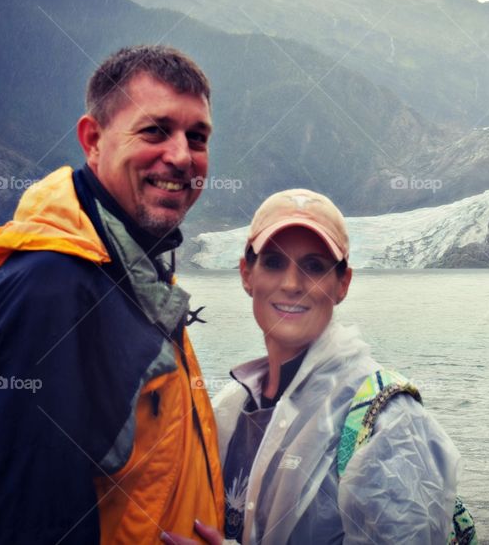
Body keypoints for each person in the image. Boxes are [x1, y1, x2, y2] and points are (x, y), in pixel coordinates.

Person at [0, 45, 224, 543]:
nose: (182, 156)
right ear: (93, 140)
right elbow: (24, 526)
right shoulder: (53, 290)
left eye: (197, 137)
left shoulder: (128, 273)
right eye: (155, 130)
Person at [165, 189, 462, 545]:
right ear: (246, 274)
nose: (292, 284)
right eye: (273, 262)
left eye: (314, 266)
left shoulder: (390, 420)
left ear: (343, 284)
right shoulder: (229, 408)